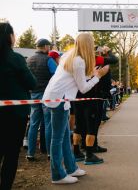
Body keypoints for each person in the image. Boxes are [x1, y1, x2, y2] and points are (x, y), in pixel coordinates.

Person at [42, 33, 109, 184]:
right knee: (58, 138)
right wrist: (97, 76)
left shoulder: (70, 55)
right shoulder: (78, 61)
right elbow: (84, 88)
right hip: (59, 99)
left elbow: (77, 79)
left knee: (65, 136)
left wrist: (92, 74)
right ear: (88, 45)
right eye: (92, 44)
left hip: (58, 97)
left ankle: (71, 168)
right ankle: (57, 175)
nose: (93, 47)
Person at [0, 22, 37, 189]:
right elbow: (31, 82)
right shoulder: (15, 58)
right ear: (9, 36)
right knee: (11, 154)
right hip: (14, 115)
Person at [26, 38, 57, 160]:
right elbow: (56, 76)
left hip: (33, 95)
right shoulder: (48, 60)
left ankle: (30, 153)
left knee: (33, 124)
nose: (49, 48)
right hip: (46, 95)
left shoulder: (28, 60)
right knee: (48, 123)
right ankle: (49, 153)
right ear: (45, 47)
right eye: (49, 46)